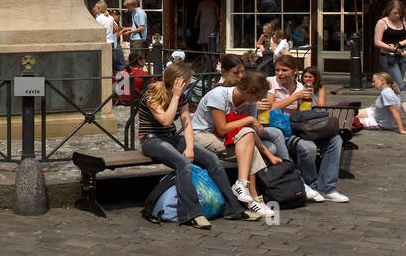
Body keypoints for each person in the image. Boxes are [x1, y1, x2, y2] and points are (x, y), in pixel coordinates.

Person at [138, 62, 258, 227]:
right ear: (178, 81)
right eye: (187, 80)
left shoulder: (182, 97)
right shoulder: (151, 95)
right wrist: (175, 96)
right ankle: (191, 213)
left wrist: (189, 147)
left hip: (171, 137)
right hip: (152, 140)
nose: (189, 82)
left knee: (212, 160)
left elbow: (187, 123)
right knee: (182, 163)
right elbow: (165, 121)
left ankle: (234, 208)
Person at [191, 71, 282, 218]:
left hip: (229, 137)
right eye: (258, 97)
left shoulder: (249, 102)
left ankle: (245, 188)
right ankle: (253, 196)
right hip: (201, 135)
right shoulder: (219, 95)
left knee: (248, 141)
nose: (258, 101)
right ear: (247, 91)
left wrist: (269, 154)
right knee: (248, 145)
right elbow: (222, 128)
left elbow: (250, 134)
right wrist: (250, 120)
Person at [265, 56, 347, 203]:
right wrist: (294, 97)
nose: (280, 73)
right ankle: (311, 185)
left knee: (335, 139)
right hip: (281, 129)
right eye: (277, 70)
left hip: (299, 126)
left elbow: (304, 111)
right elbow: (269, 108)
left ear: (295, 72)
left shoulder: (301, 88)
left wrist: (305, 101)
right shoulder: (271, 83)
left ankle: (328, 188)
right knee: (308, 147)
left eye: (285, 70)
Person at [374, 0, 406, 93]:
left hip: (402, 56)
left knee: (397, 84)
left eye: (399, 13)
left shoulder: (403, 21)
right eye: (395, 13)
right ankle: (403, 105)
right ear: (389, 11)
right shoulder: (382, 22)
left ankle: (390, 104)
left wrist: (399, 45)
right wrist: (391, 48)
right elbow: (377, 42)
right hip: (389, 57)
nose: (397, 16)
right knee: (399, 85)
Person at [94, 1, 125, 75]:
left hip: (103, 43)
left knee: (104, 66)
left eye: (95, 7)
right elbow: (116, 29)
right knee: (111, 64)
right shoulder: (110, 17)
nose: (94, 9)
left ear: (99, 9)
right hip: (111, 43)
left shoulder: (98, 19)